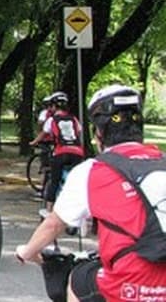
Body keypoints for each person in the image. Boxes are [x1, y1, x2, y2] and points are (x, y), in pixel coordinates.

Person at [15, 85, 166, 301]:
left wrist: (27, 251)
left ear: (99, 133)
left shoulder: (93, 170)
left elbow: (53, 225)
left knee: (77, 279)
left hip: (133, 282)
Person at [30, 91, 84, 216]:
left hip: (61, 152)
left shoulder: (52, 120)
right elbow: (79, 132)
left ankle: (49, 210)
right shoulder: (74, 119)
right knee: (77, 181)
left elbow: (43, 133)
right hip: (77, 153)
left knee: (54, 181)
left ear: (54, 106)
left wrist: (34, 142)